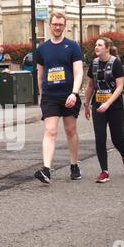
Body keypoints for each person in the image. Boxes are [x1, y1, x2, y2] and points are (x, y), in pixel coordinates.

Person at [34, 11, 84, 184]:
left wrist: (74, 93)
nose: (57, 27)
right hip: (50, 96)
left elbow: (78, 72)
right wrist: (41, 95)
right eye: (54, 24)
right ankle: (46, 169)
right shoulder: (42, 49)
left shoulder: (72, 46)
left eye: (60, 24)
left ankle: (74, 165)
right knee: (50, 131)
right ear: (50, 25)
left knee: (70, 130)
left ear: (64, 26)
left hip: (68, 95)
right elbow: (40, 75)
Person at [84, 37, 124, 183]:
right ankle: (104, 171)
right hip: (98, 105)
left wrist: (108, 103)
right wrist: (86, 105)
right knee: (100, 138)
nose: (96, 47)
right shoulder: (93, 63)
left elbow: (120, 87)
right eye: (95, 45)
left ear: (107, 48)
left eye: (99, 45)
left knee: (117, 139)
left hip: (115, 106)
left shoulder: (116, 63)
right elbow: (90, 86)